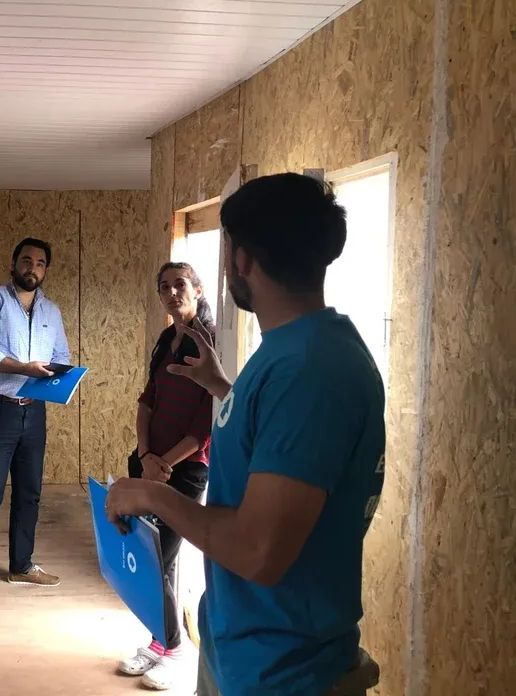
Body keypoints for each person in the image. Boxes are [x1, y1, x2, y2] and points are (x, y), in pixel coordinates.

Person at [106, 173, 385, 695]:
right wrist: (219, 385)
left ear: (240, 258)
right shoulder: (293, 350)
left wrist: (151, 494)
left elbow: (259, 551)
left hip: (284, 670)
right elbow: (279, 434)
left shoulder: (309, 369)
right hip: (246, 649)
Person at [117, 262, 215, 691]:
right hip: (149, 463)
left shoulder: (209, 341)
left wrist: (166, 464)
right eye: (165, 287)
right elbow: (147, 401)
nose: (173, 293)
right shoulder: (165, 339)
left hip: (186, 470)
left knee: (162, 558)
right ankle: (160, 641)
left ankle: (173, 648)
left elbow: (205, 422)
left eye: (181, 285)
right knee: (148, 556)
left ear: (198, 290)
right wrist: (145, 456)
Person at [0, 237, 71, 605]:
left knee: (29, 491)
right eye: (26, 260)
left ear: (45, 270)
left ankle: (21, 565)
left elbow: (61, 355)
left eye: (40, 263)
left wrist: (61, 375)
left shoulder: (51, 311)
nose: (32, 268)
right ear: (13, 264)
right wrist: (25, 368)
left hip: (33, 410)